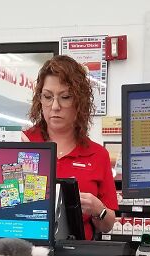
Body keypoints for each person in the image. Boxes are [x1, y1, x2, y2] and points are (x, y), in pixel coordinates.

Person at [23, 55, 117, 240]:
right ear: (39, 99)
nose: (55, 106)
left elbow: (107, 225)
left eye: (65, 97)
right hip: (26, 254)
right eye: (48, 97)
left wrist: (99, 210)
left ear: (79, 102)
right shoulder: (23, 143)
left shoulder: (97, 155)